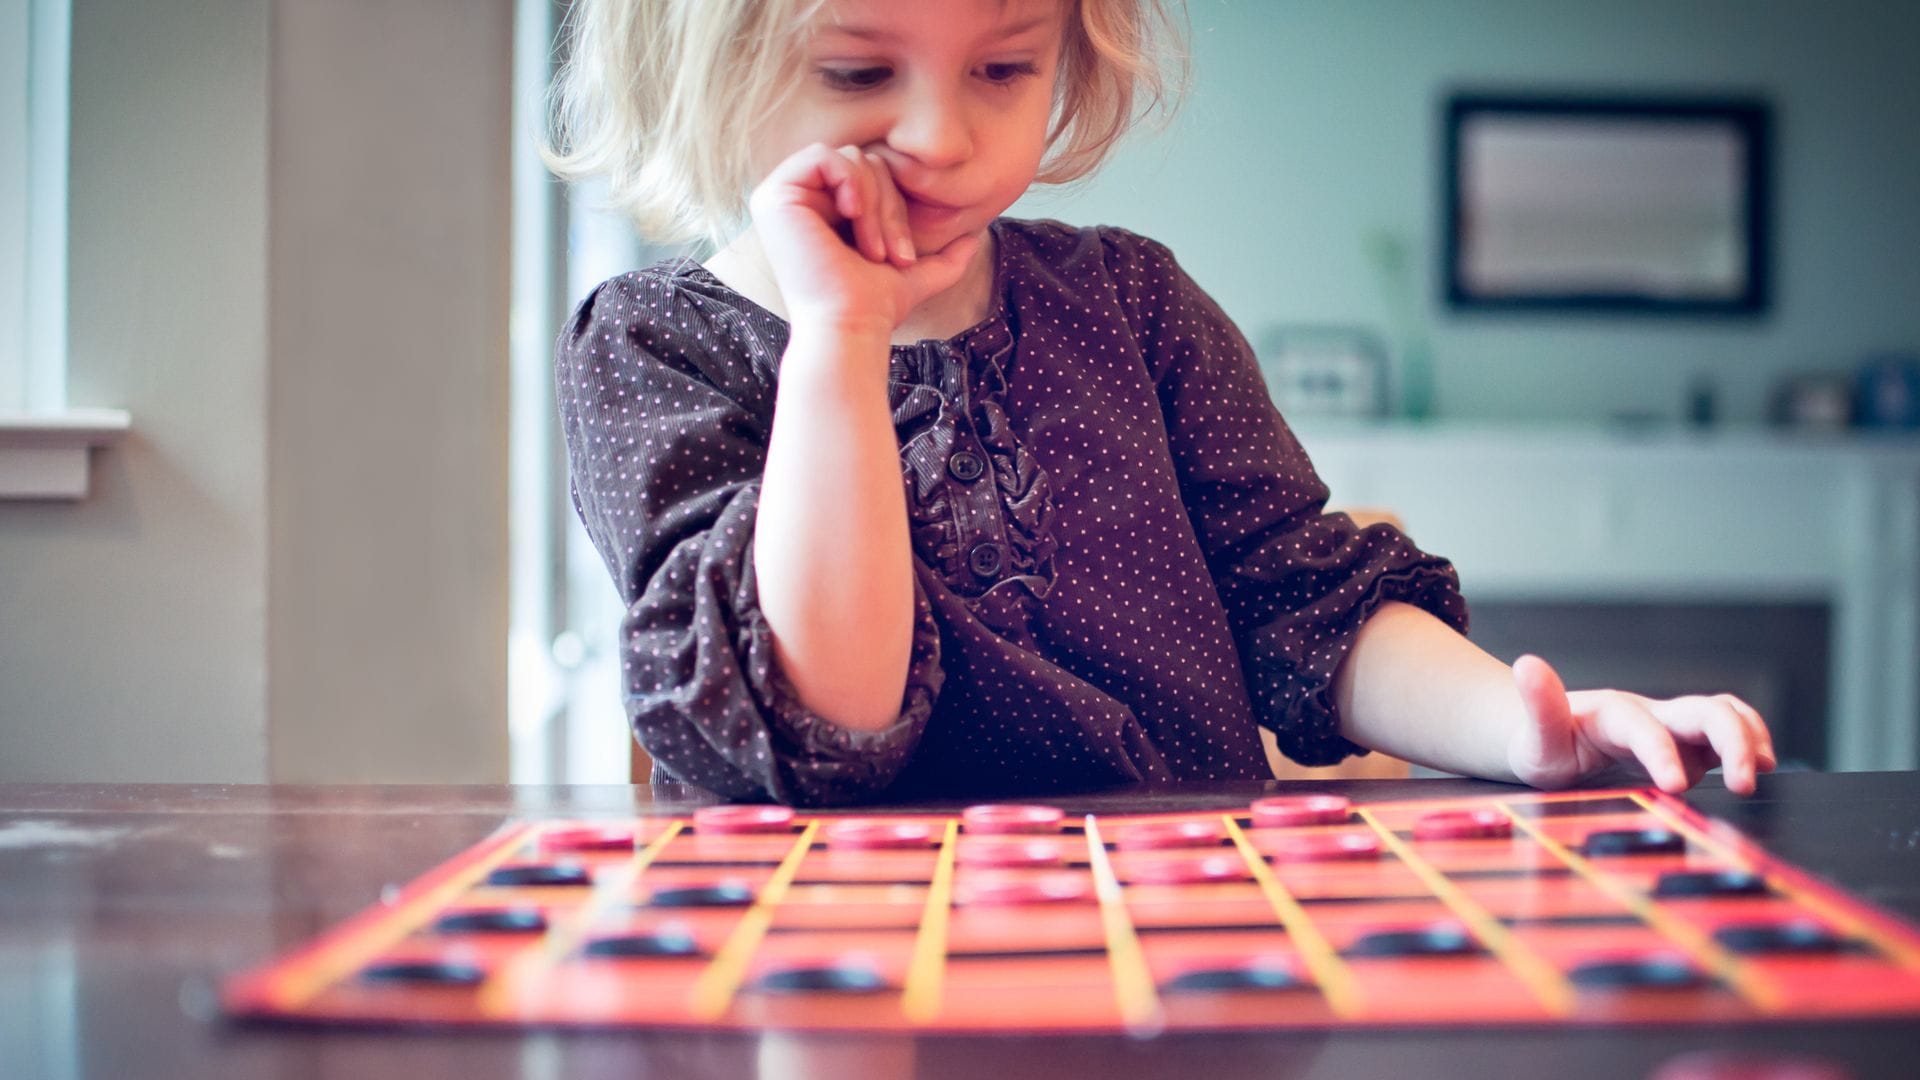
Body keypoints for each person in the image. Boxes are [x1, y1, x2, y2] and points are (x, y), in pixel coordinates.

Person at [543, 0, 1776, 805]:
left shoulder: (1130, 303)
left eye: (1005, 66)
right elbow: (830, 710)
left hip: (1185, 934)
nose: (943, 133)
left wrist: (1524, 731)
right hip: (845, 965)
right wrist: (841, 333)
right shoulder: (654, 347)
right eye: (860, 69)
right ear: (699, 65)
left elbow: (1304, 605)